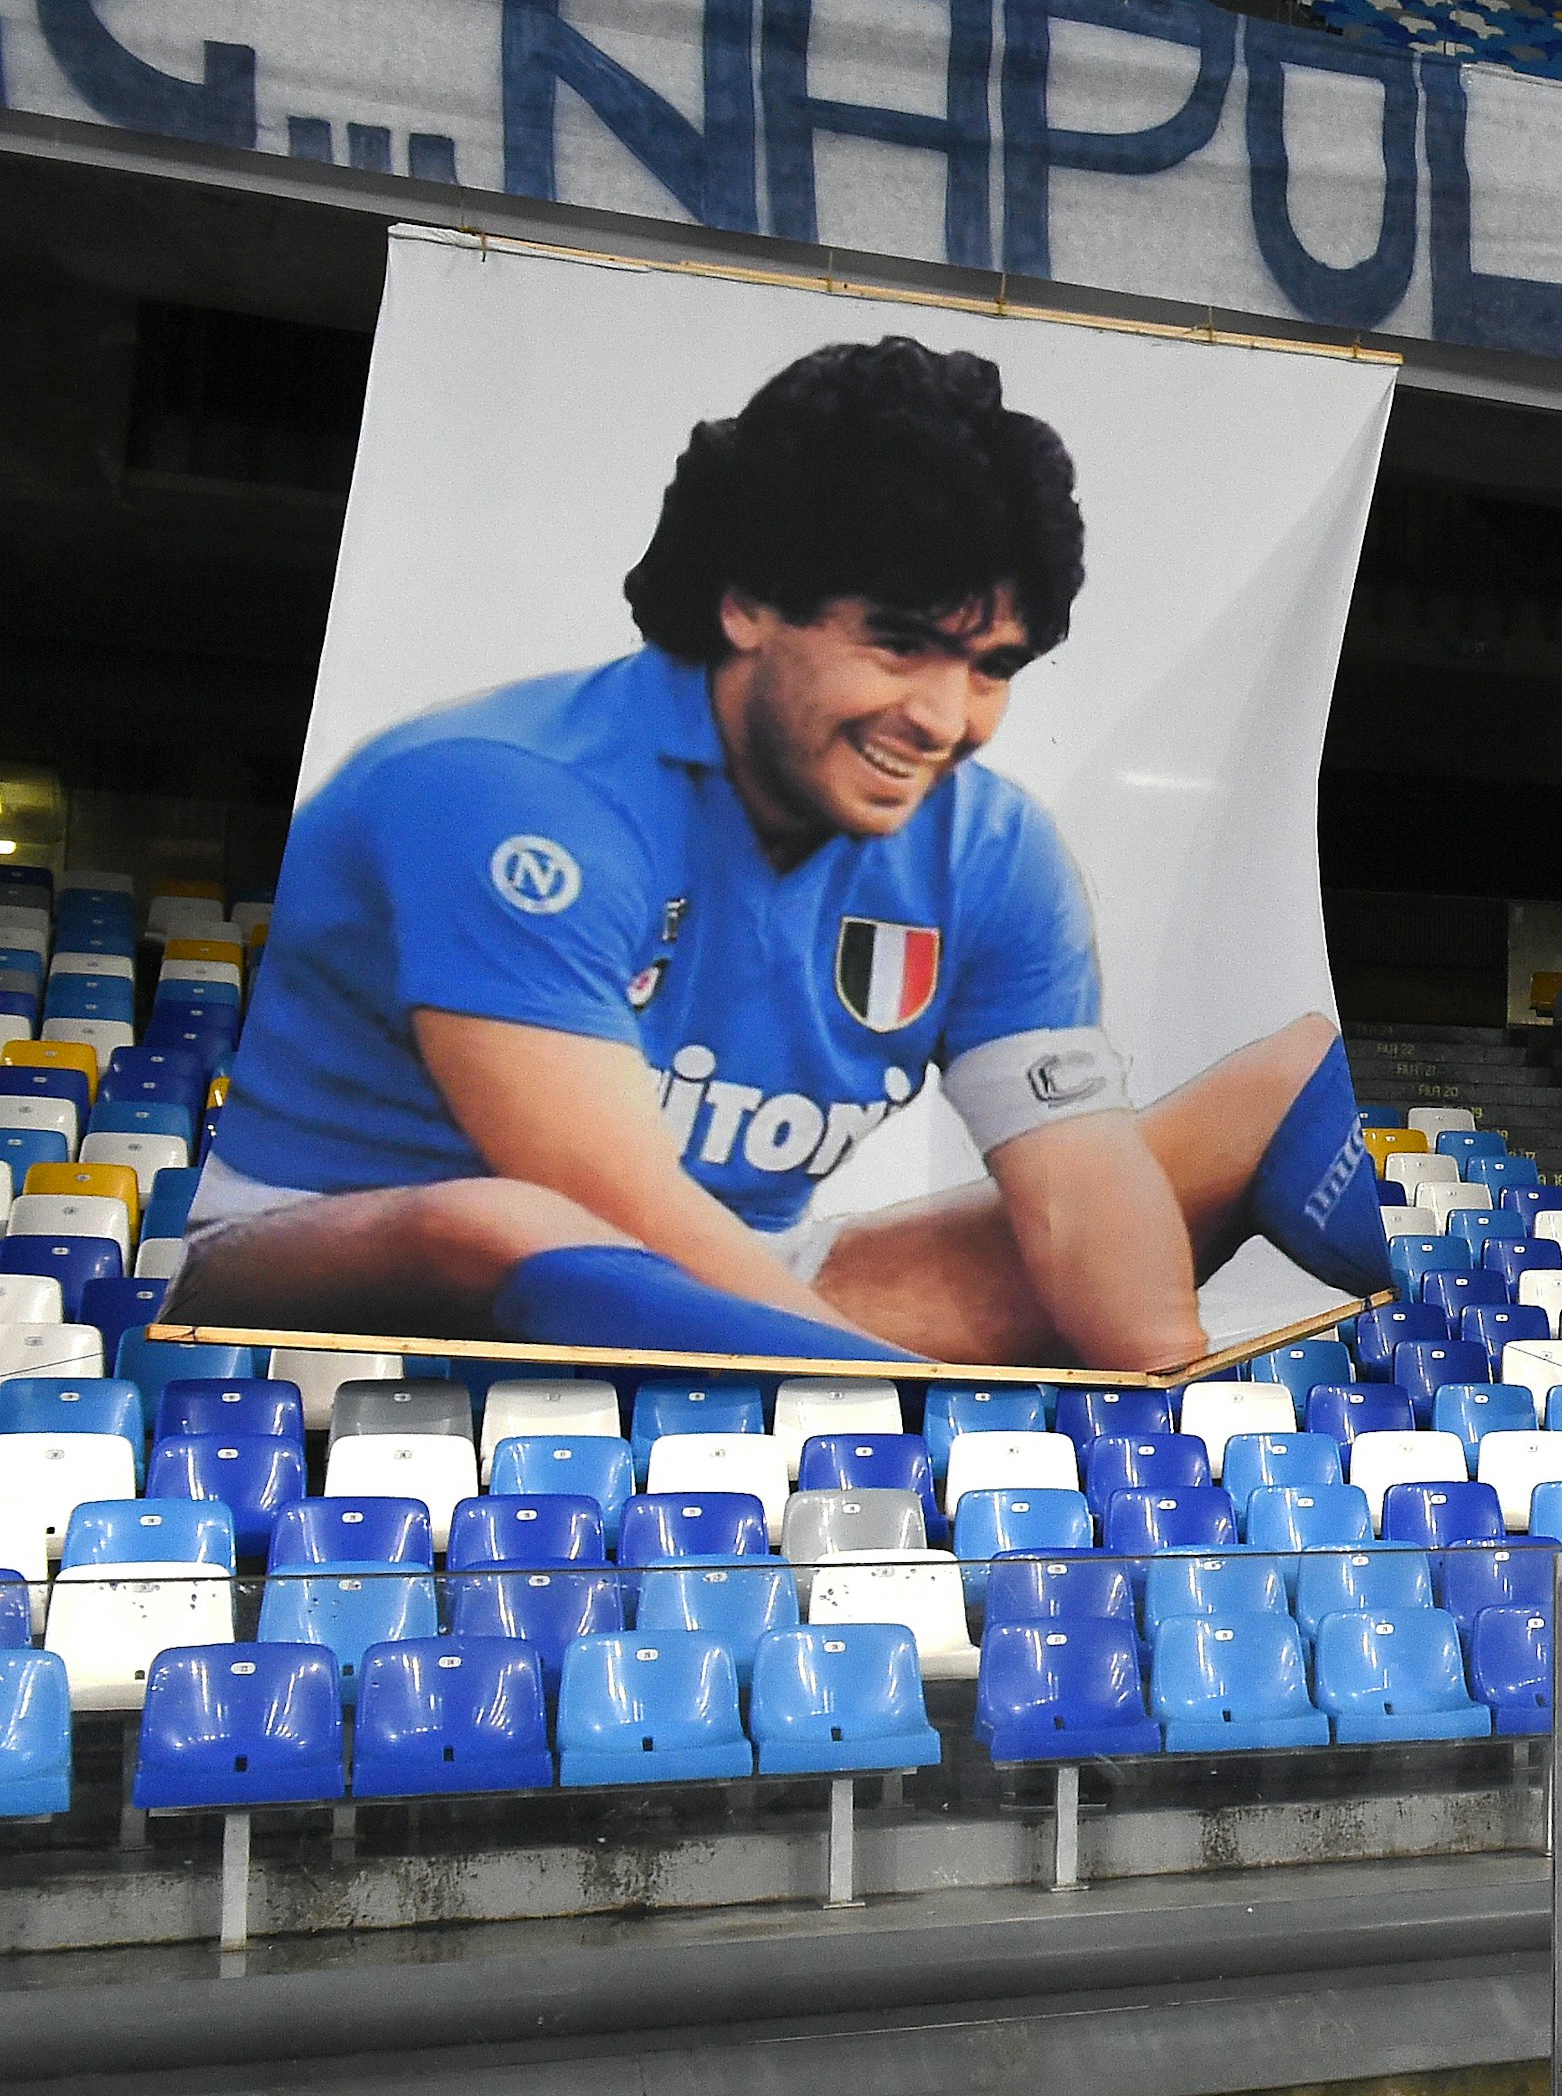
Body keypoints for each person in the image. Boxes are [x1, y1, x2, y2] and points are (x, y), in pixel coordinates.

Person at [171, 336, 1389, 1370]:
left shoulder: (993, 847)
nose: (945, 716)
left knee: (1275, 1077)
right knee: (509, 1220)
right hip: (336, 1273)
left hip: (734, 1281)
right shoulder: (505, 790)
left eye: (992, 668)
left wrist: (1159, 1421)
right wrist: (891, 1410)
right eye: (901, 645)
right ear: (747, 599)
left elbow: (1077, 1194)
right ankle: (845, 1392)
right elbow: (608, 1205)